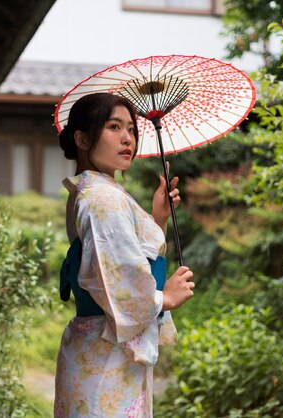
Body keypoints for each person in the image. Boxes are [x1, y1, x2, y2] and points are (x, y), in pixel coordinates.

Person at [54, 92, 195, 417]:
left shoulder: (89, 191)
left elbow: (120, 260)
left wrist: (157, 218)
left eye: (131, 129)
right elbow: (116, 277)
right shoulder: (104, 199)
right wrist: (164, 298)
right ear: (83, 139)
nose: (127, 137)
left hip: (94, 345)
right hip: (107, 349)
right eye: (114, 127)